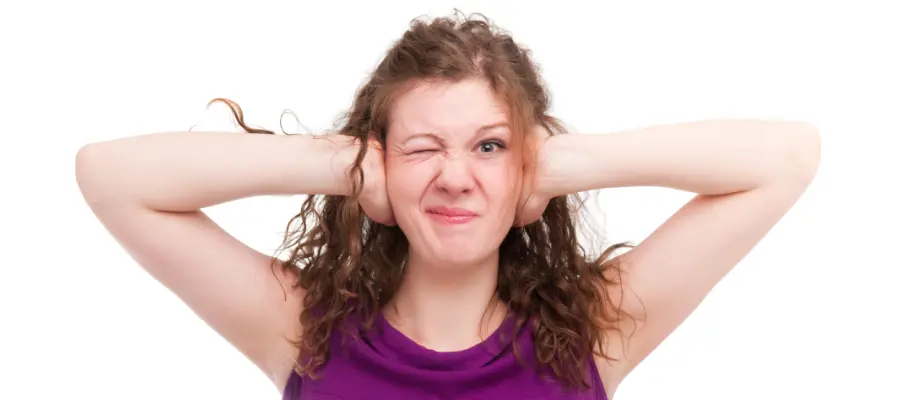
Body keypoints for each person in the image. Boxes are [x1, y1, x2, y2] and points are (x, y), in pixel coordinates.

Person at [74, 12, 820, 400]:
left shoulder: (593, 333)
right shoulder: (303, 329)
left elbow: (787, 159)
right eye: (424, 148)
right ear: (381, 165)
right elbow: (109, 177)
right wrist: (341, 163)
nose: (457, 178)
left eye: (489, 148)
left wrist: (561, 161)